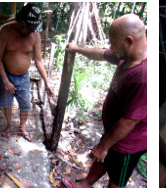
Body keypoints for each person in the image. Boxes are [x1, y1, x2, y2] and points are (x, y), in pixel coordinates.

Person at [62, 14, 147, 188]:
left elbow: (129, 121)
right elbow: (101, 54)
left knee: (116, 178)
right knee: (104, 157)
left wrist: (104, 145)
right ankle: (86, 183)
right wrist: (77, 49)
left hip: (128, 142)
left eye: (113, 43)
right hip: (114, 130)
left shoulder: (143, 76)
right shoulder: (128, 55)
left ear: (129, 41)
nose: (111, 46)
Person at [0, 3, 55, 142]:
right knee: (7, 104)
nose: (29, 32)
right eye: (28, 28)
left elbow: (39, 61)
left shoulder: (35, 36)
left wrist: (47, 83)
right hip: (7, 76)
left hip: (24, 77)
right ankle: (9, 126)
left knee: (26, 104)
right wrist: (5, 80)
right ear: (21, 23)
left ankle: (22, 128)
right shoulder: (6, 32)